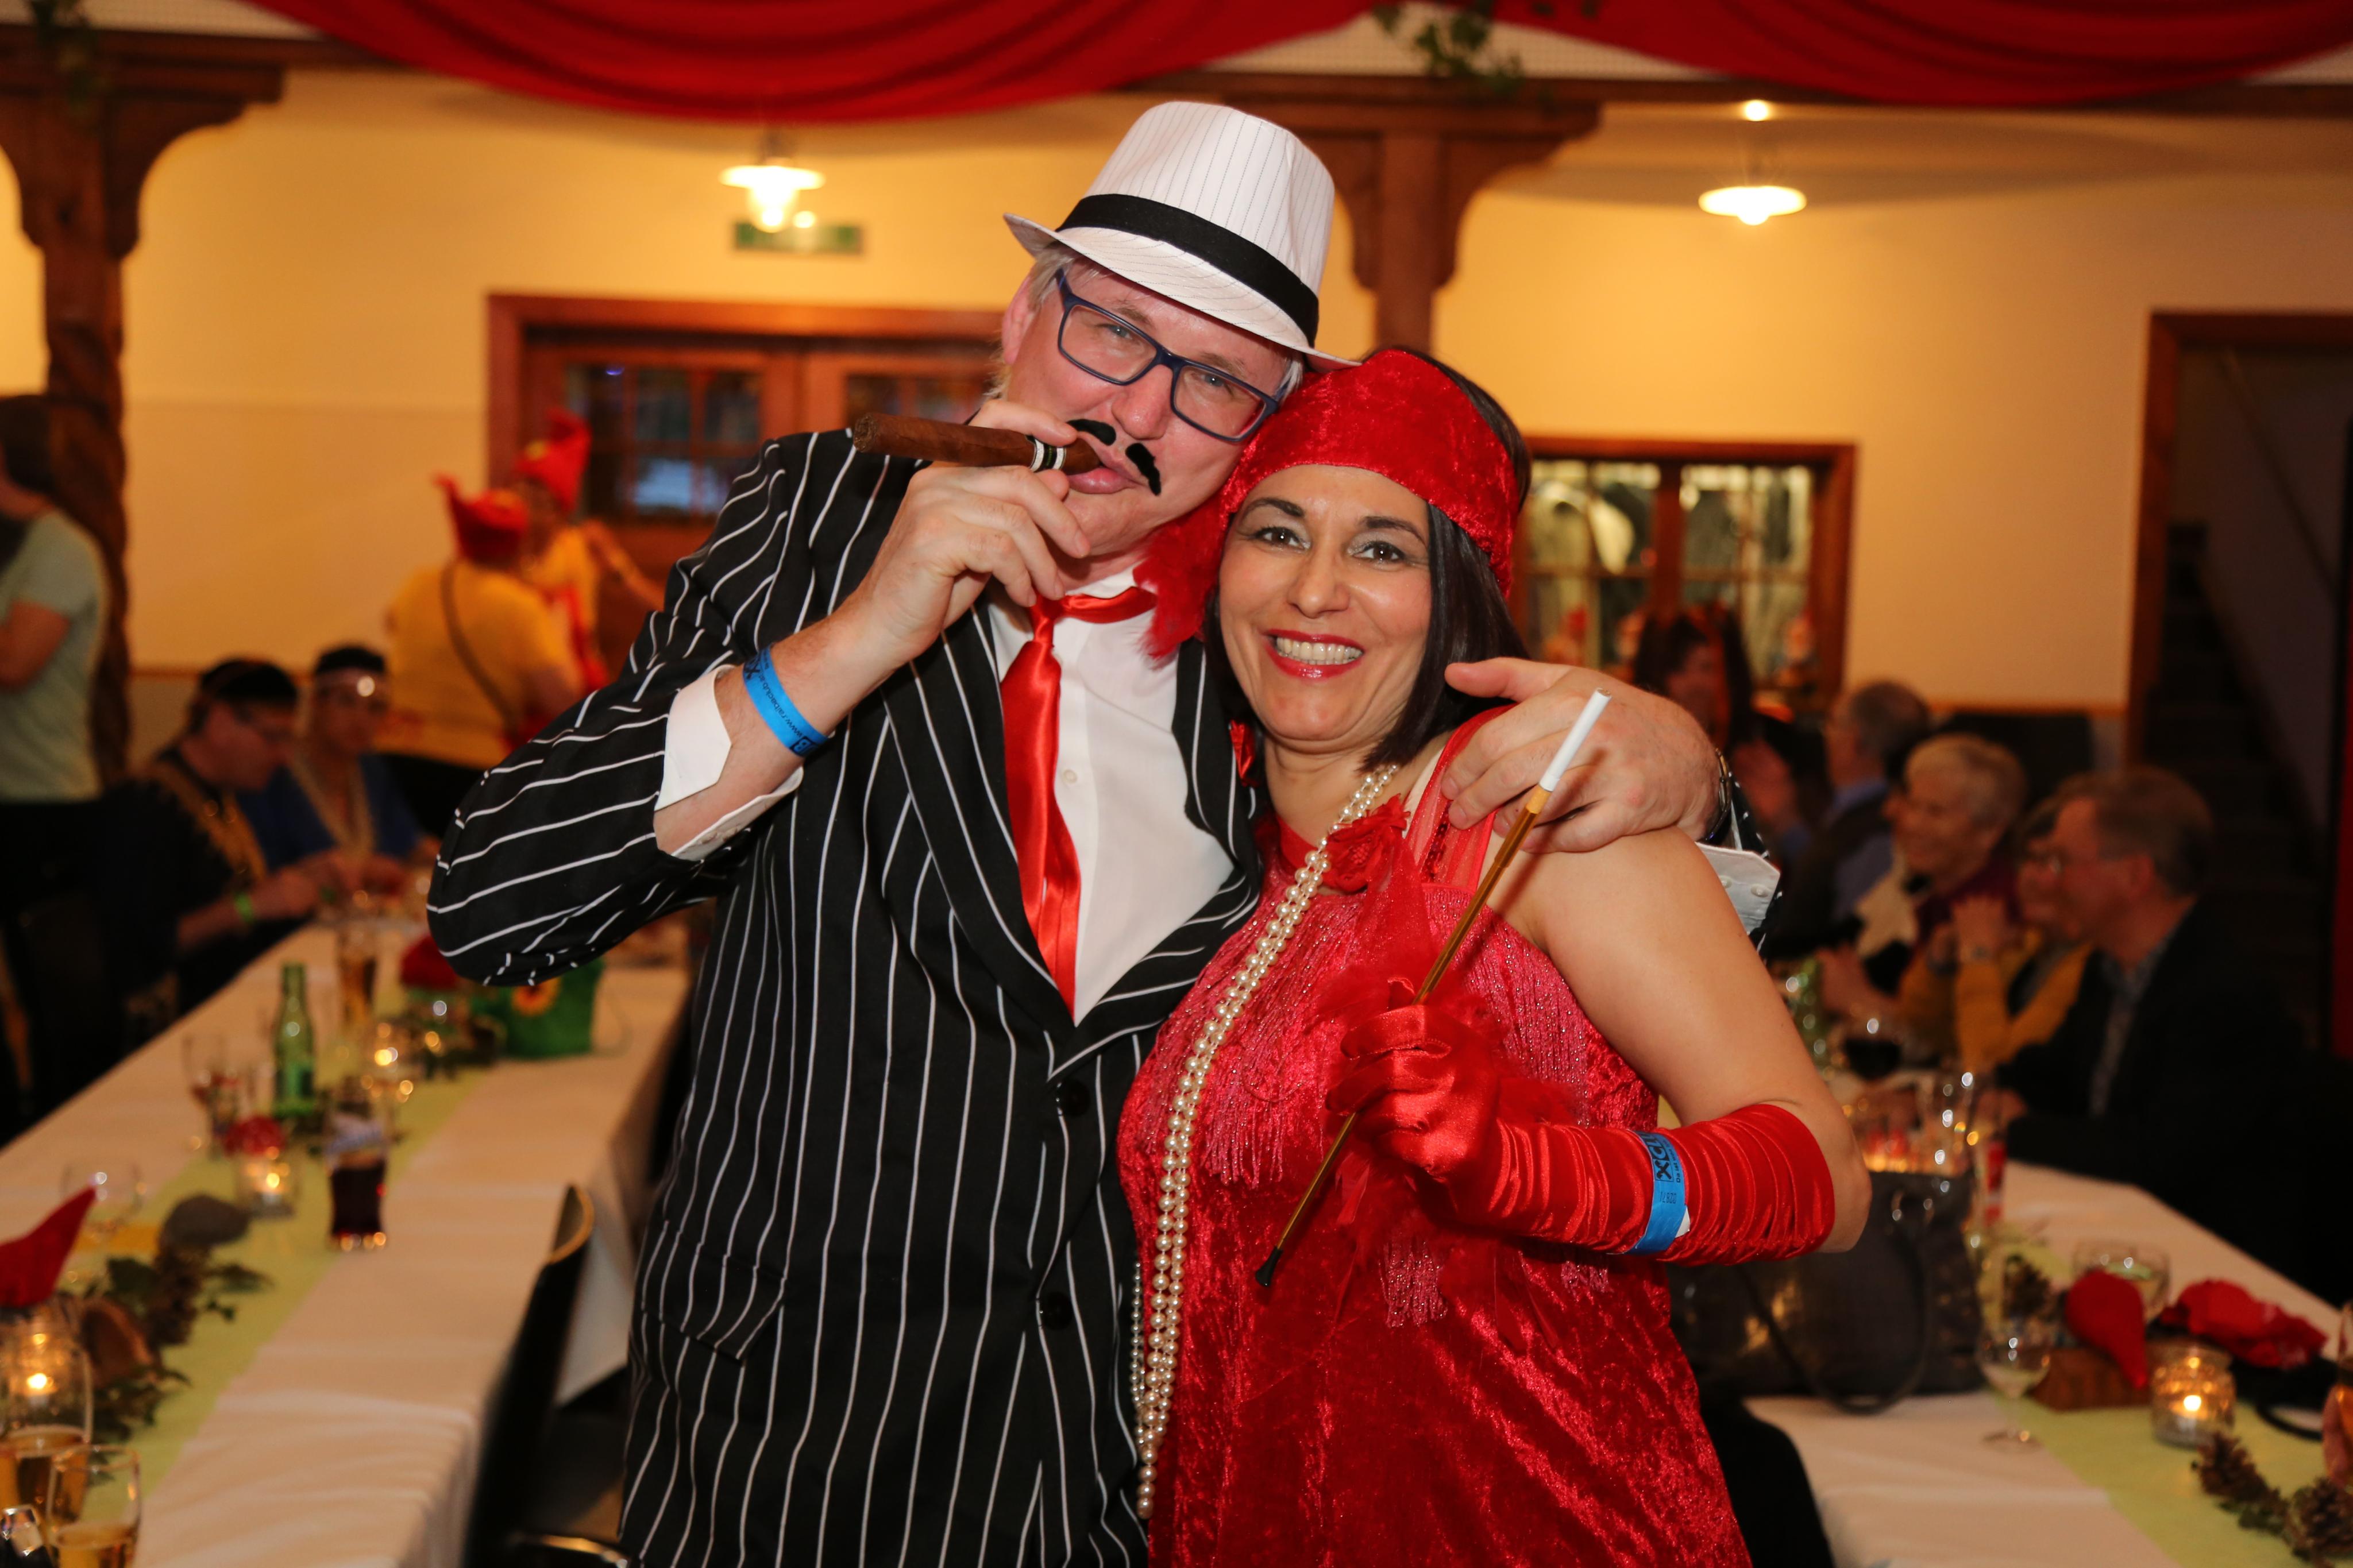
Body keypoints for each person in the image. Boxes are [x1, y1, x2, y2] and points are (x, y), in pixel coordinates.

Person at [426, 104, 1754, 1565]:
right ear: (1024, 312)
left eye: (1217, 381)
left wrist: (1688, 766)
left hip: (1132, 1464)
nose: (1141, 408)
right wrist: (859, 636)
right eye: (1112, 331)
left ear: (1260, 429)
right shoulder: (825, 523)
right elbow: (497, 902)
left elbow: (1576, 845)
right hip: (795, 1438)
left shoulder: (1275, 630)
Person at [1116, 349, 1868, 1564]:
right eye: (1277, 532)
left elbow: (1824, 1181)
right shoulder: (1220, 857)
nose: (1315, 590)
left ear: (1456, 597)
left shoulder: (1544, 832)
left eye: (1381, 549)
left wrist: (1538, 1171)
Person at [1998, 768, 2309, 1284]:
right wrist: (1981, 1096)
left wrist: (2012, 1130)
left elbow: (2156, 1154)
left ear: (2134, 877)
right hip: (2127, 1228)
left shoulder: (2223, 993)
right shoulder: (2109, 967)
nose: (2050, 881)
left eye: (2062, 862)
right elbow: (2050, 1076)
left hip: (2210, 1268)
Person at [96, 660, 341, 1037]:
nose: (284, 757)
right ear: (221, 724)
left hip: (230, 1004)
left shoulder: (217, 793)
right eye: (273, 738)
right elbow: (140, 946)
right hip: (174, 1028)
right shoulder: (146, 804)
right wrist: (248, 907)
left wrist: (304, 879)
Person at [0, 407, 107, 1119]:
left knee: (56, 993)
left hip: (44, 802)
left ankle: (68, 1127)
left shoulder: (63, 548)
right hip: (10, 796)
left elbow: (16, 664)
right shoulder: (16, 546)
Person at [380, 478, 581, 835]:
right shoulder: (520, 605)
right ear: (518, 543)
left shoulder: (421, 583)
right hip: (471, 765)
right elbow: (562, 698)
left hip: (398, 752)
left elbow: (391, 622)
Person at [1819, 731, 2026, 1034]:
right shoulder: (1934, 899)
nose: (1913, 824)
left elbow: (1958, 1041)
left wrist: (1860, 1001)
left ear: (1989, 832)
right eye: (1914, 805)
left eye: (1935, 812)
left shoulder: (1997, 911)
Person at [1900, 794, 2088, 1074]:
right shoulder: (2031, 943)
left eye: (2052, 862)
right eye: (2028, 859)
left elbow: (1991, 1065)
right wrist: (1937, 965)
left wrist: (1978, 955)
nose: (2029, 877)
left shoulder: (2088, 966)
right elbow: (1937, 1039)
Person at [1634, 604, 1824, 855]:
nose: (1694, 684)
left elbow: (1817, 867)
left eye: (1707, 667)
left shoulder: (1771, 750)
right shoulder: (1639, 753)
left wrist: (1784, 817)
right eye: (1678, 669)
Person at [1762, 679, 1931, 959]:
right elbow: (1827, 877)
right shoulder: (1854, 810)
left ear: (1854, 740)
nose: (1826, 737)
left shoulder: (1882, 827)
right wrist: (1785, 821)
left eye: (1832, 725)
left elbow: (1848, 939)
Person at [241, 644, 427, 893]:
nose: (361, 720)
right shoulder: (274, 768)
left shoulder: (372, 770)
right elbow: (262, 872)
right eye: (347, 702)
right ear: (316, 703)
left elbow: (411, 843)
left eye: (375, 708)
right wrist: (360, 870)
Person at [514, 408, 662, 686]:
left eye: (538, 502)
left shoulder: (582, 547)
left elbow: (660, 608)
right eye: (520, 495)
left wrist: (622, 572)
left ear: (559, 509)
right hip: (521, 683)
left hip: (575, 683)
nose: (526, 511)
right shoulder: (503, 550)